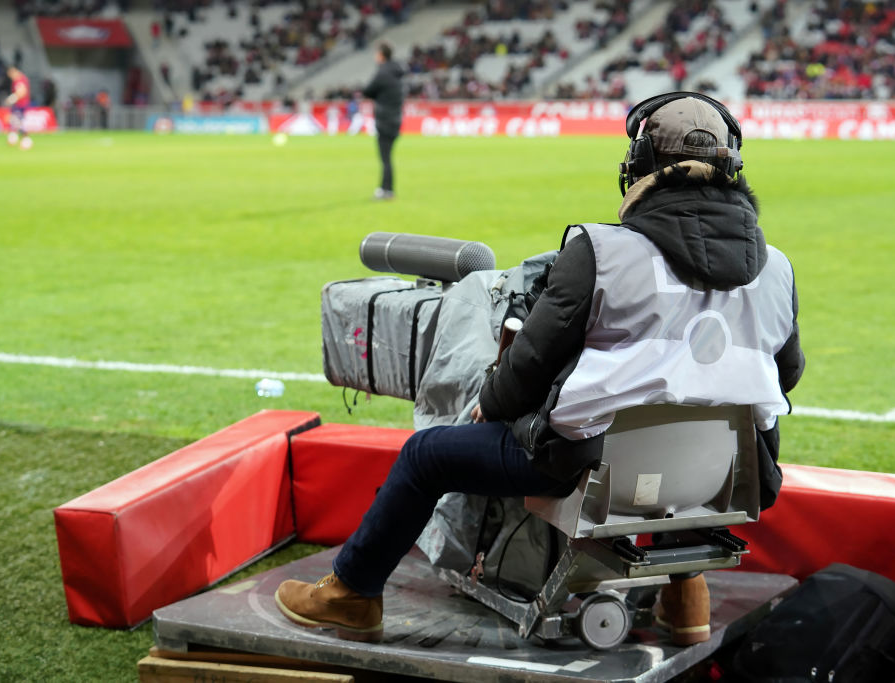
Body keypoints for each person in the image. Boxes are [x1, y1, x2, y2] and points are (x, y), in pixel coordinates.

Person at [275, 92, 804, 646]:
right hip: (723, 478)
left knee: (424, 458)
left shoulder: (599, 250)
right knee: (687, 424)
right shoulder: (779, 270)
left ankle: (351, 595)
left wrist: (493, 403)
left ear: (641, 166)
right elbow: (785, 374)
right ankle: (684, 598)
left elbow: (527, 365)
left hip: (590, 473)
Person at [361, 42, 404, 200]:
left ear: (381, 55)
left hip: (385, 119)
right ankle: (387, 189)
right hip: (396, 119)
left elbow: (368, 91)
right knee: (388, 157)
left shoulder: (382, 73)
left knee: (385, 158)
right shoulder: (397, 73)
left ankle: (386, 190)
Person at [4, 66, 32, 149]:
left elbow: (22, 91)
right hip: (21, 104)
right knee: (16, 121)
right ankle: (17, 138)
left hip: (20, 105)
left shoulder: (19, 80)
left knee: (18, 122)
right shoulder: (22, 78)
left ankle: (24, 139)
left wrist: (12, 98)